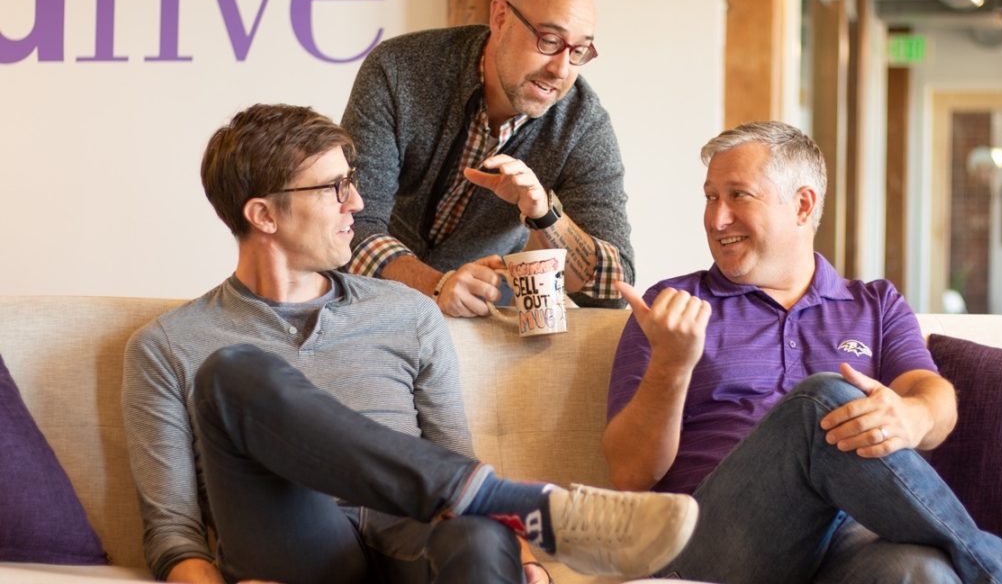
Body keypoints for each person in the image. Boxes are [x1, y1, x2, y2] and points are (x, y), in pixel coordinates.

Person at [121, 104, 696, 584]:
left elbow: (452, 455)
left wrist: (524, 562)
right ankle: (523, 502)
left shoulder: (408, 312)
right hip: (293, 547)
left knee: (476, 534)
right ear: (263, 215)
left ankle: (509, 510)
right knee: (232, 374)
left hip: (408, 535)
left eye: (352, 182)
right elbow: (173, 531)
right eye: (333, 188)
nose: (358, 205)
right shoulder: (170, 344)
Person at [602, 121, 1002, 584]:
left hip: (844, 540)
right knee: (820, 401)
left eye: (738, 195)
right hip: (713, 540)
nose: (716, 219)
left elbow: (930, 394)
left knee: (922, 572)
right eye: (710, 197)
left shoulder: (875, 304)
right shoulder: (672, 307)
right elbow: (629, 474)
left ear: (802, 205)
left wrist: (914, 415)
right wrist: (671, 365)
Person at [340, 0, 632, 317]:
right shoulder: (399, 69)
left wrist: (545, 216)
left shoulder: (582, 125)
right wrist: (438, 285)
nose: (561, 69)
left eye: (578, 52)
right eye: (550, 41)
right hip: (367, 303)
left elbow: (616, 288)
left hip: (483, 310)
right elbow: (352, 223)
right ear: (500, 17)